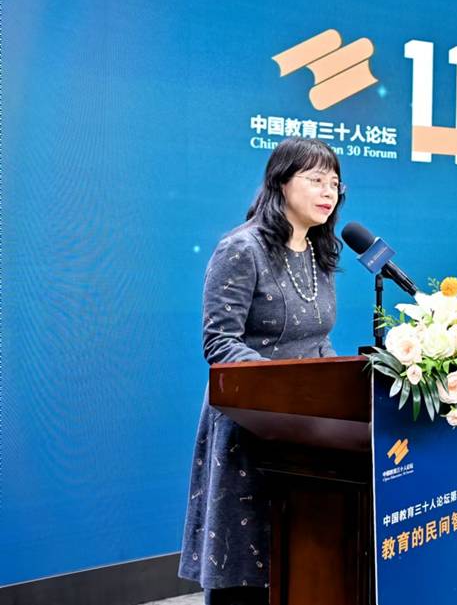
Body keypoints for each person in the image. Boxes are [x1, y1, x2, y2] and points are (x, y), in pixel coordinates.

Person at [178, 138, 345, 605]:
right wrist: (287, 387)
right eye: (315, 179)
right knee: (244, 572)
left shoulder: (318, 252)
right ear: (280, 182)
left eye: (334, 183)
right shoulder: (241, 248)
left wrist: (335, 383)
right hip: (249, 424)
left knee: (295, 565)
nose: (328, 192)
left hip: (305, 431)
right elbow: (220, 343)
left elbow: (317, 340)